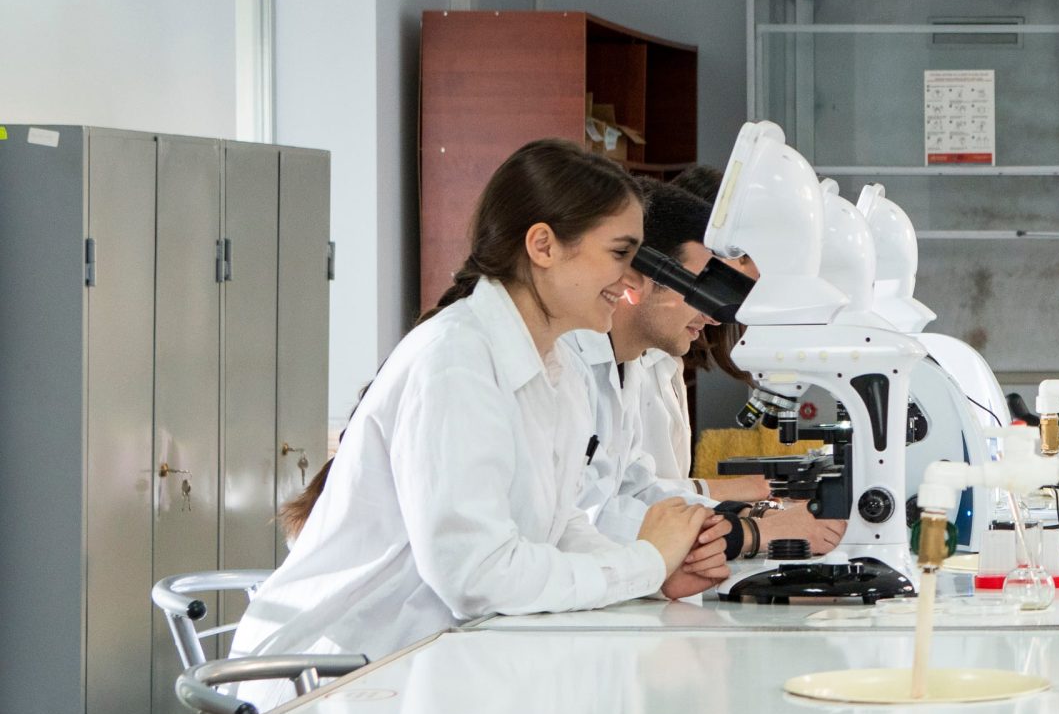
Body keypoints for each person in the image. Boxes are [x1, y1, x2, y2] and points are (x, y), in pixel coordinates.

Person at [235, 141, 728, 680]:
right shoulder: (455, 363)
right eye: (620, 255)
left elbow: (559, 526)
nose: (633, 281)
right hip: (332, 679)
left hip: (430, 665)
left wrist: (653, 576)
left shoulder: (557, 365)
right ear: (543, 246)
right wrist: (644, 562)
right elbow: (475, 576)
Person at [572, 181, 842, 553]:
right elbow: (588, 516)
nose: (714, 314)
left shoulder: (625, 365)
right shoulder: (570, 365)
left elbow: (640, 488)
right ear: (641, 273)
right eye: (701, 285)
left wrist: (748, 513)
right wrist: (749, 532)